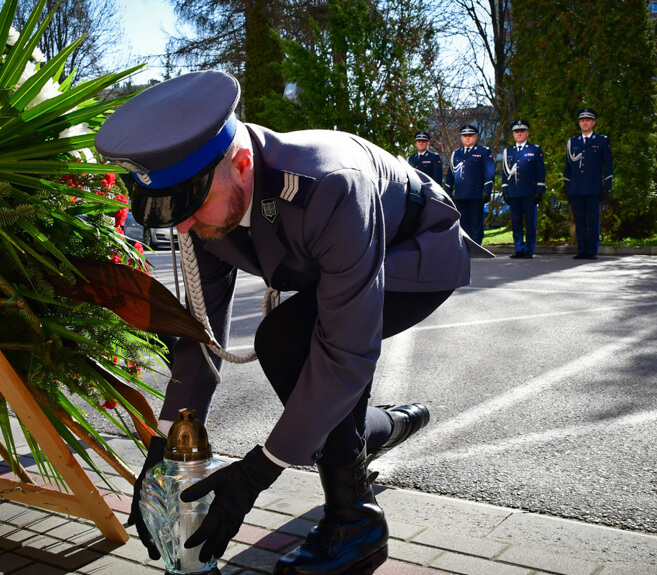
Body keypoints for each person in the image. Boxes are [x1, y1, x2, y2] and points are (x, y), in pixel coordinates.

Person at [95, 70, 490, 575]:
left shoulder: (328, 184)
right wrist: (164, 447)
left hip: (414, 254)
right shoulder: (202, 206)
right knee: (318, 383)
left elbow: (346, 353)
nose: (183, 226)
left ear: (241, 164)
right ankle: (387, 425)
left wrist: (261, 468)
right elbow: (200, 337)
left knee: (286, 341)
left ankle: (357, 524)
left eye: (191, 207)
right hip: (336, 261)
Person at [563, 108, 613, 260]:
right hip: (576, 188)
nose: (584, 123)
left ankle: (592, 251)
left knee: (593, 221)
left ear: (593, 123)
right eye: (582, 120)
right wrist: (567, 187)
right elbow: (568, 166)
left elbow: (608, 164)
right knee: (579, 221)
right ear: (579, 123)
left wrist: (607, 186)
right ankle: (582, 250)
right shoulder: (572, 142)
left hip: (593, 188)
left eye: (587, 120)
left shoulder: (602, 141)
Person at [501, 119, 546, 259]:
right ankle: (519, 248)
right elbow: (504, 172)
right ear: (513, 134)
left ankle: (529, 250)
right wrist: (505, 190)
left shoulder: (534, 149)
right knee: (516, 223)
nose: (519, 134)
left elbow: (540, 171)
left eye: (522, 131)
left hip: (529, 193)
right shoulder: (508, 151)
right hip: (514, 193)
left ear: (527, 133)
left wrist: (539, 190)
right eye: (516, 132)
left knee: (530, 223)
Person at [444, 124, 495, 245]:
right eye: (465, 136)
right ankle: (466, 246)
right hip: (460, 195)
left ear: (476, 137)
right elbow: (450, 175)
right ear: (461, 138)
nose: (467, 138)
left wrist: (487, 190)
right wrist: (448, 192)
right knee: (463, 222)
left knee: (476, 222)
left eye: (470, 135)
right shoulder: (456, 154)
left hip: (476, 194)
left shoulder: (484, 152)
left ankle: (476, 245)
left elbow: (489, 173)